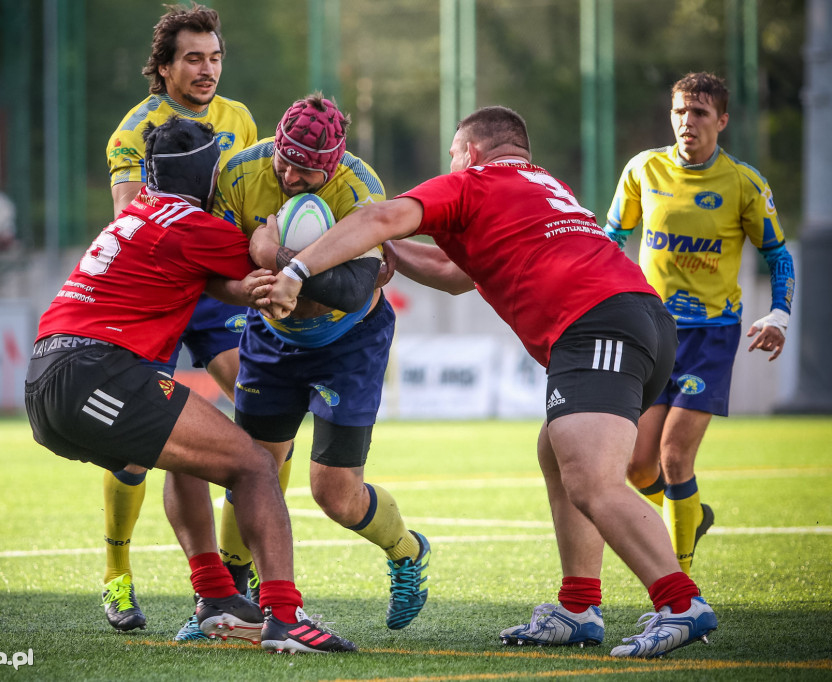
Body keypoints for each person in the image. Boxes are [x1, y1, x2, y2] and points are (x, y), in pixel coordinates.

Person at [256, 105, 718, 658]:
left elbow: (379, 217)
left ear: (471, 153)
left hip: (594, 325)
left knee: (593, 480)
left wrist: (295, 268)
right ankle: (577, 607)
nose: (450, 164)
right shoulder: (545, 186)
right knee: (557, 451)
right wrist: (385, 250)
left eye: (453, 154)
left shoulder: (473, 183)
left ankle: (680, 602)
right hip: (639, 319)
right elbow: (457, 278)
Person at [26, 115, 355, 654]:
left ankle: (217, 598)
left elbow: (221, 282)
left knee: (192, 455)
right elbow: (272, 260)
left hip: (48, 379)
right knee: (252, 463)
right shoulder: (193, 226)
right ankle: (285, 616)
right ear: (207, 175)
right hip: (96, 373)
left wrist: (247, 286)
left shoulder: (139, 213)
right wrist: (292, 249)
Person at [172, 93, 431, 641]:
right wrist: (262, 273)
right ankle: (227, 601)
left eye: (307, 169)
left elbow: (354, 287)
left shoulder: (361, 189)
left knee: (334, 493)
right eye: (284, 160)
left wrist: (270, 255)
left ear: (333, 164)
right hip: (272, 338)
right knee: (249, 469)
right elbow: (213, 260)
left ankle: (406, 550)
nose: (290, 174)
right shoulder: (241, 171)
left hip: (350, 342)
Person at [101, 3, 259, 633]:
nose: (207, 69)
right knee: (139, 448)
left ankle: (229, 580)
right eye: (193, 58)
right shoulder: (132, 131)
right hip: (162, 289)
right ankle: (117, 574)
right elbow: (127, 217)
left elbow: (252, 201)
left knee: (262, 415)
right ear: (162, 69)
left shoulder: (240, 119)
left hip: (218, 287)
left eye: (215, 57)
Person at [605, 72, 795, 575]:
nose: (687, 123)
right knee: (636, 466)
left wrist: (779, 313)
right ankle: (692, 514)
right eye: (680, 113)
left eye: (700, 113)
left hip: (711, 335)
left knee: (673, 456)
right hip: (650, 330)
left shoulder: (743, 182)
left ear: (722, 121)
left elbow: (778, 255)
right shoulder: (644, 169)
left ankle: (679, 587)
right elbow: (611, 238)